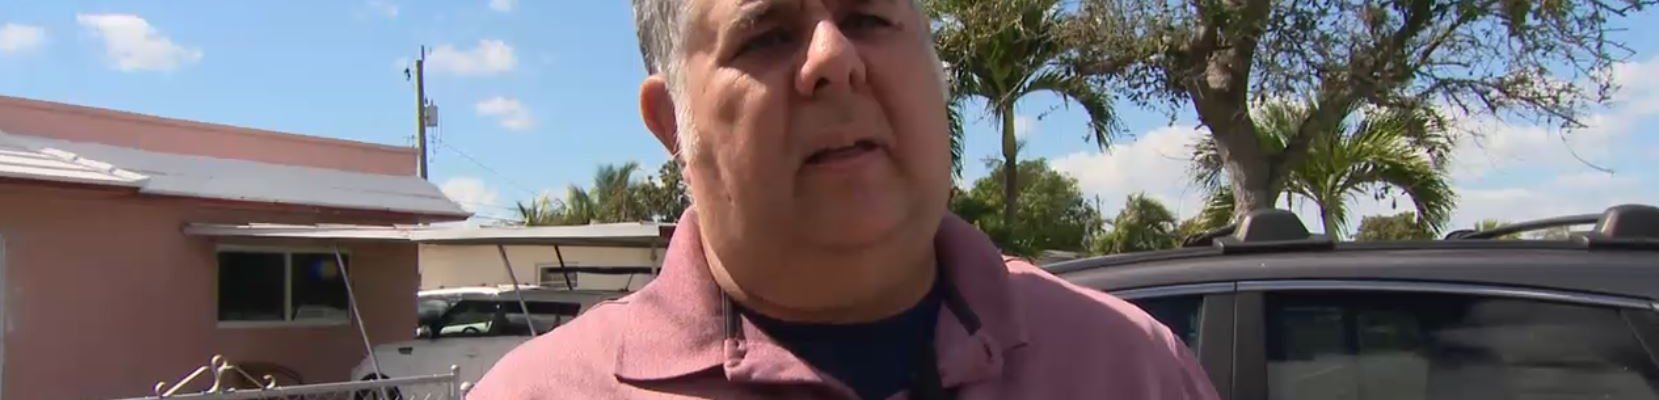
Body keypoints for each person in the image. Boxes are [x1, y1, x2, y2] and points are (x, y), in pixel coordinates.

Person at [468, 0, 1220, 398]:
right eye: (766, 34)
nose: (834, 57)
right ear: (672, 123)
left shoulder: (1131, 369)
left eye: (867, 18)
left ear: (934, 68)